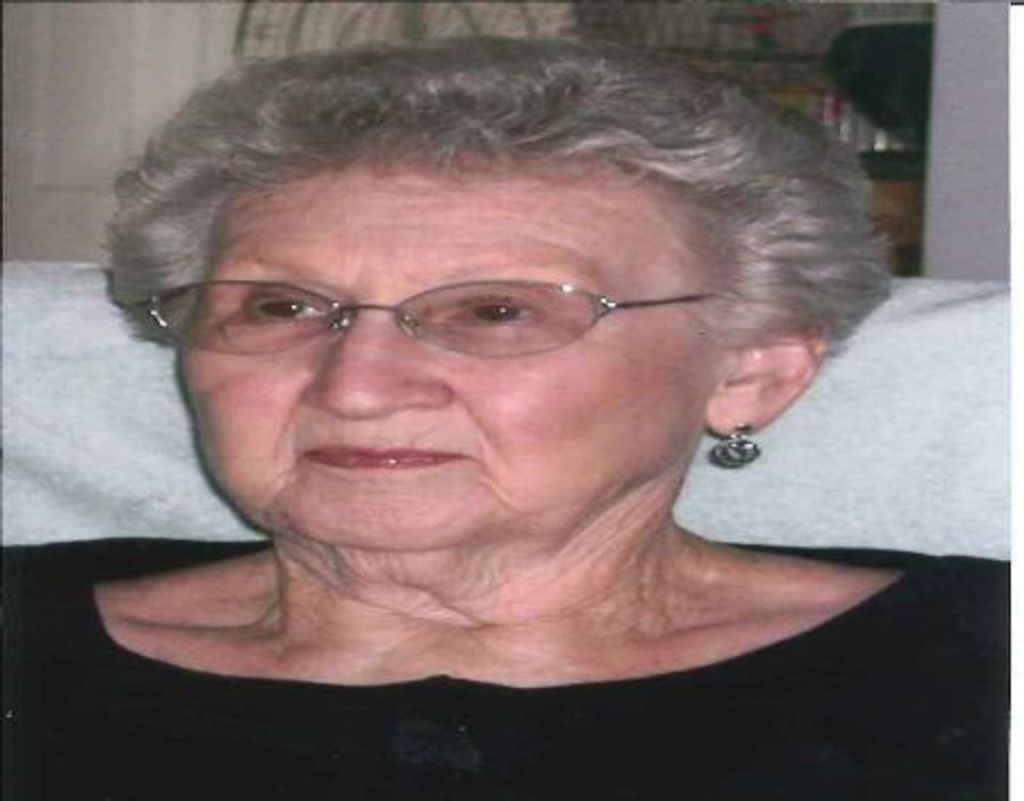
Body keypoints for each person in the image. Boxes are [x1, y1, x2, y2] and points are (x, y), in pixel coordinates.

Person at [5, 37, 1007, 800]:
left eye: (494, 312)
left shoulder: (977, 666)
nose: (356, 386)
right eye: (280, 307)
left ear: (750, 373)